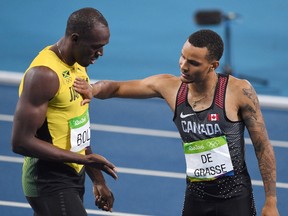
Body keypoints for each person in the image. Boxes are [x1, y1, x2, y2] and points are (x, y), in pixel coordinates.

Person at [74, 29, 279, 216]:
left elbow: (262, 147)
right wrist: (94, 89)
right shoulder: (171, 88)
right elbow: (116, 88)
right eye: (182, 56)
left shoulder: (238, 92)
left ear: (213, 66)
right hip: (196, 196)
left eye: (194, 63)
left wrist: (271, 201)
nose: (183, 65)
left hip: (235, 198)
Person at [11, 7, 118, 216]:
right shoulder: (44, 75)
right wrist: (84, 160)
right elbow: (20, 141)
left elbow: (78, 123)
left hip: (73, 173)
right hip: (47, 178)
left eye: (104, 47)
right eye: (96, 47)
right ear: (75, 38)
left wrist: (97, 179)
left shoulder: (79, 63)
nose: (101, 53)